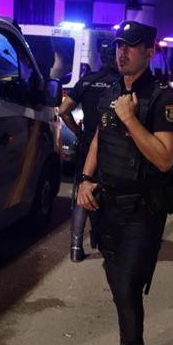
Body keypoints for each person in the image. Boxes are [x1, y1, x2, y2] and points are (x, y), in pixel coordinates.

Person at [77, 21, 173, 345]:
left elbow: (164, 158)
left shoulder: (164, 98)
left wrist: (130, 119)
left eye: (131, 45)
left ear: (149, 51)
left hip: (142, 208)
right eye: (119, 44)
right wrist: (85, 179)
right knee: (116, 280)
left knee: (128, 283)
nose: (121, 51)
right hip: (108, 204)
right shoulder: (111, 90)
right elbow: (99, 138)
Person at [59, 41, 119, 262]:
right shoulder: (120, 82)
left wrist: (78, 132)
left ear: (101, 58)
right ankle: (104, 240)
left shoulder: (87, 80)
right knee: (111, 191)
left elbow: (63, 110)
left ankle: (76, 247)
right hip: (113, 145)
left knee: (82, 191)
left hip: (87, 143)